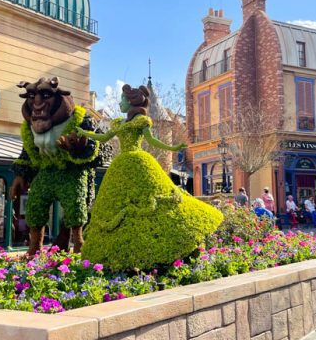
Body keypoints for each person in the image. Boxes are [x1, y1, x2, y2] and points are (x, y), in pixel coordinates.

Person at [77, 84, 223, 271]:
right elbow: (104, 138)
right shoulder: (118, 124)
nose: (120, 104)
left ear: (130, 102)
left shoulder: (141, 121)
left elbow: (152, 140)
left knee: (151, 203)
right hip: (121, 165)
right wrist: (84, 133)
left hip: (138, 162)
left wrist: (172, 148)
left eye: (122, 100)